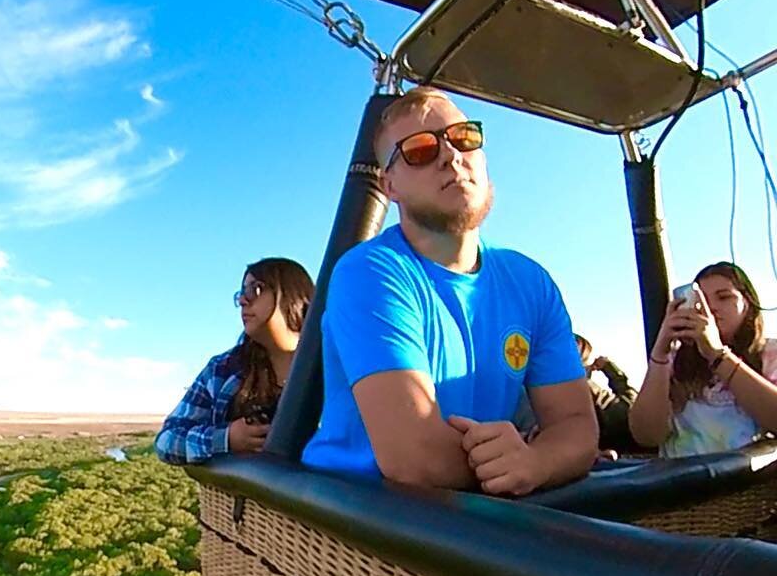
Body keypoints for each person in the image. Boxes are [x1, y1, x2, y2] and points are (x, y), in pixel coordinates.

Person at [301, 87, 596, 495]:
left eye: (464, 137)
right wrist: (518, 465)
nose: (451, 156)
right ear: (390, 186)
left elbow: (577, 427)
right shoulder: (370, 273)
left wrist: (536, 462)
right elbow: (416, 461)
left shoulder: (531, 282)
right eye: (420, 150)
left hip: (475, 516)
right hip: (362, 516)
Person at [156, 257, 314, 464]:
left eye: (255, 290)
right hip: (241, 496)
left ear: (291, 295)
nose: (242, 301)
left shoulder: (334, 363)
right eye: (241, 293)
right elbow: (166, 441)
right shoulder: (222, 370)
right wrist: (226, 438)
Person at [628, 261, 777, 457]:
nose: (712, 308)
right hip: (684, 482)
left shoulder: (769, 353)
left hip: (750, 482)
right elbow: (646, 436)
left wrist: (717, 354)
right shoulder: (674, 360)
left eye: (724, 297)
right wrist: (660, 353)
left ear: (747, 304)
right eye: (702, 301)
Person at [575, 333, 639, 453]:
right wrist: (610, 370)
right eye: (590, 363)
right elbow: (630, 410)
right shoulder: (582, 388)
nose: (593, 368)